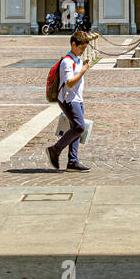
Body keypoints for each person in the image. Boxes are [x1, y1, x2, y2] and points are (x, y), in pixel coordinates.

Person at [46, 29, 94, 172]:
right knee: (79, 127)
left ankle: (72, 162)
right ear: (73, 44)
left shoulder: (77, 59)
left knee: (76, 128)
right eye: (81, 48)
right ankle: (55, 149)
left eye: (85, 48)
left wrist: (82, 66)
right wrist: (84, 70)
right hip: (69, 100)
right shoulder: (67, 62)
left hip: (77, 99)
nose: (82, 51)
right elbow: (70, 82)